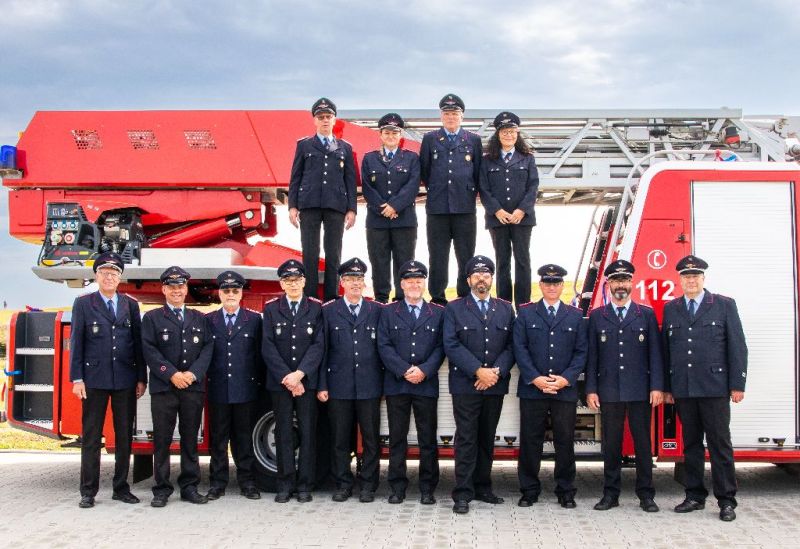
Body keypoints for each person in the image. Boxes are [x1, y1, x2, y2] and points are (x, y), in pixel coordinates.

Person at [662, 255, 747, 522]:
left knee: (720, 445)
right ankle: (694, 496)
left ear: (703, 278)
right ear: (680, 280)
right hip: (684, 389)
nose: (691, 280)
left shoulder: (723, 305)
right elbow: (666, 351)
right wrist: (667, 387)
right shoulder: (671, 308)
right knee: (691, 446)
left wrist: (737, 384)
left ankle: (726, 500)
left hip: (714, 388)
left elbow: (737, 346)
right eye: (686, 277)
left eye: (695, 276)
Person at [586, 259, 664, 513]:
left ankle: (646, 495)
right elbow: (592, 357)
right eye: (616, 281)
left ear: (631, 283)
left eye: (625, 280)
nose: (620, 285)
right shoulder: (597, 316)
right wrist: (591, 389)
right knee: (611, 445)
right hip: (609, 390)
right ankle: (611, 494)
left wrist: (657, 386)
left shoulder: (646, 314)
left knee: (642, 444)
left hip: (640, 390)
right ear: (608, 284)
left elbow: (655, 353)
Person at [69, 251, 145, 509]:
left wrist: (141, 378)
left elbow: (137, 344)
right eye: (104, 272)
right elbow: (77, 343)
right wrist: (77, 379)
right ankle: (88, 491)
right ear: (96, 276)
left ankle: (121, 488)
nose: (109, 277)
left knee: (124, 436)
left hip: (125, 379)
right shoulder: (83, 304)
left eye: (114, 273)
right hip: (94, 380)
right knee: (91, 437)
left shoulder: (130, 305)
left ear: (120, 278)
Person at [443, 255, 515, 514]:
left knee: (486, 437)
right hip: (466, 385)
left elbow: (512, 345)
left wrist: (495, 372)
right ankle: (463, 492)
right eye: (477, 275)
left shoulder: (505, 308)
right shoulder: (454, 308)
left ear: (492, 279)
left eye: (486, 275)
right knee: (466, 438)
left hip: (494, 384)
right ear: (468, 280)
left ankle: (483, 487)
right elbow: (451, 344)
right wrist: (478, 371)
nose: (481, 279)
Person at [513, 264, 587, 508]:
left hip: (564, 390)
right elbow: (519, 348)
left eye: (556, 283)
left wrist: (566, 379)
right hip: (533, 389)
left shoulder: (575, 315)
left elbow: (581, 352)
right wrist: (535, 378)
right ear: (541, 285)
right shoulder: (526, 313)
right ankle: (529, 490)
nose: (552, 287)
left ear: (562, 286)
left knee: (564, 441)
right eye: (547, 283)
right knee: (530, 440)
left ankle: (566, 491)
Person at [141, 266, 213, 507]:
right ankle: (161, 489)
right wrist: (171, 374)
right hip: (164, 388)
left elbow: (207, 348)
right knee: (162, 440)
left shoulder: (199, 318)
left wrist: (193, 374)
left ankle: (190, 487)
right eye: (171, 287)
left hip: (192, 388)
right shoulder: (152, 318)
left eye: (180, 286)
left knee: (190, 439)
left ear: (186, 289)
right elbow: (149, 350)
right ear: (164, 290)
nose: (176, 291)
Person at [377, 260, 445, 504]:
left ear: (424, 284)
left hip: (426, 384)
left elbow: (442, 346)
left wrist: (424, 370)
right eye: (410, 281)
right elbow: (383, 345)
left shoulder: (438, 312)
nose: (415, 285)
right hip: (398, 384)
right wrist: (405, 370)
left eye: (419, 281)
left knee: (427, 439)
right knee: (397, 438)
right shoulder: (388, 312)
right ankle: (397, 487)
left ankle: (427, 488)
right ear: (402, 284)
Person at [318, 258, 384, 503]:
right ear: (342, 282)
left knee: (371, 439)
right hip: (339, 386)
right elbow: (322, 350)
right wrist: (322, 384)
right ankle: (343, 484)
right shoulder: (328, 311)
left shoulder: (377, 310)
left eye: (359, 279)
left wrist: (384, 385)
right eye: (350, 279)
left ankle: (368, 485)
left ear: (364, 283)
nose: (355, 283)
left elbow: (384, 350)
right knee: (340, 439)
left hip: (369, 386)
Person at [262, 259, 325, 503]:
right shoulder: (271, 309)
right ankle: (285, 484)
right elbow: (268, 347)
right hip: (280, 383)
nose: (293, 284)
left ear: (304, 281)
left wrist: (300, 374)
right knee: (283, 433)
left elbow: (318, 345)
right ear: (281, 284)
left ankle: (305, 486)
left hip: (306, 382)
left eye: (297, 280)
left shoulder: (316, 308)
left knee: (308, 433)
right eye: (288, 281)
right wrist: (288, 378)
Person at [288, 97, 358, 301]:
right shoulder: (304, 145)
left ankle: (331, 297)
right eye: (321, 117)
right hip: (309, 204)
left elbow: (350, 180)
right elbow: (295, 177)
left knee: (333, 253)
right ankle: (310, 298)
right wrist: (292, 206)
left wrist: (352, 209)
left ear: (334, 120)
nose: (325, 120)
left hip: (336, 205)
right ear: (315, 121)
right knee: (310, 252)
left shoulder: (344, 147)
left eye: (328, 116)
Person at [204, 271, 263, 501]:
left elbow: (259, 356)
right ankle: (217, 484)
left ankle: (247, 483)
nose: (230, 294)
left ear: (241, 294)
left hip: (245, 389)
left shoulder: (254, 320)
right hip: (218, 389)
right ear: (219, 293)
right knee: (219, 440)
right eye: (226, 290)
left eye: (235, 291)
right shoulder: (209, 321)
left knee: (243, 439)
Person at [419, 93, 482, 305]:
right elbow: (425, 171)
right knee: (438, 256)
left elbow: (478, 172)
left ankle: (464, 298)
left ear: (462, 116)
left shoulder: (473, 140)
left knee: (466, 256)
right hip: (437, 208)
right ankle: (438, 298)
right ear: (441, 116)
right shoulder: (430, 139)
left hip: (465, 208)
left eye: (455, 113)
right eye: (447, 113)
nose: (451, 117)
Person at [478, 111, 539, 308]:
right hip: (498, 219)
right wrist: (497, 211)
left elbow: (533, 186)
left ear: (517, 133)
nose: (508, 135)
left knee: (523, 261)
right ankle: (504, 306)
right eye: (504, 131)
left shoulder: (527, 158)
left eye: (512, 131)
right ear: (497, 134)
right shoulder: (487, 160)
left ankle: (523, 306)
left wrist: (522, 210)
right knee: (502, 261)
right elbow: (483, 188)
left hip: (522, 218)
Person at [361, 113, 421, 303]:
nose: (390, 136)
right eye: (387, 132)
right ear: (380, 134)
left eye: (394, 133)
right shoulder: (369, 158)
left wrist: (395, 206)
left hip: (404, 220)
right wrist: (384, 209)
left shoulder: (411, 158)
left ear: (400, 135)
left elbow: (413, 186)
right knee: (379, 262)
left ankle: (402, 300)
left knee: (404, 262)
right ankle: (381, 299)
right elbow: (367, 188)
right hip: (377, 221)